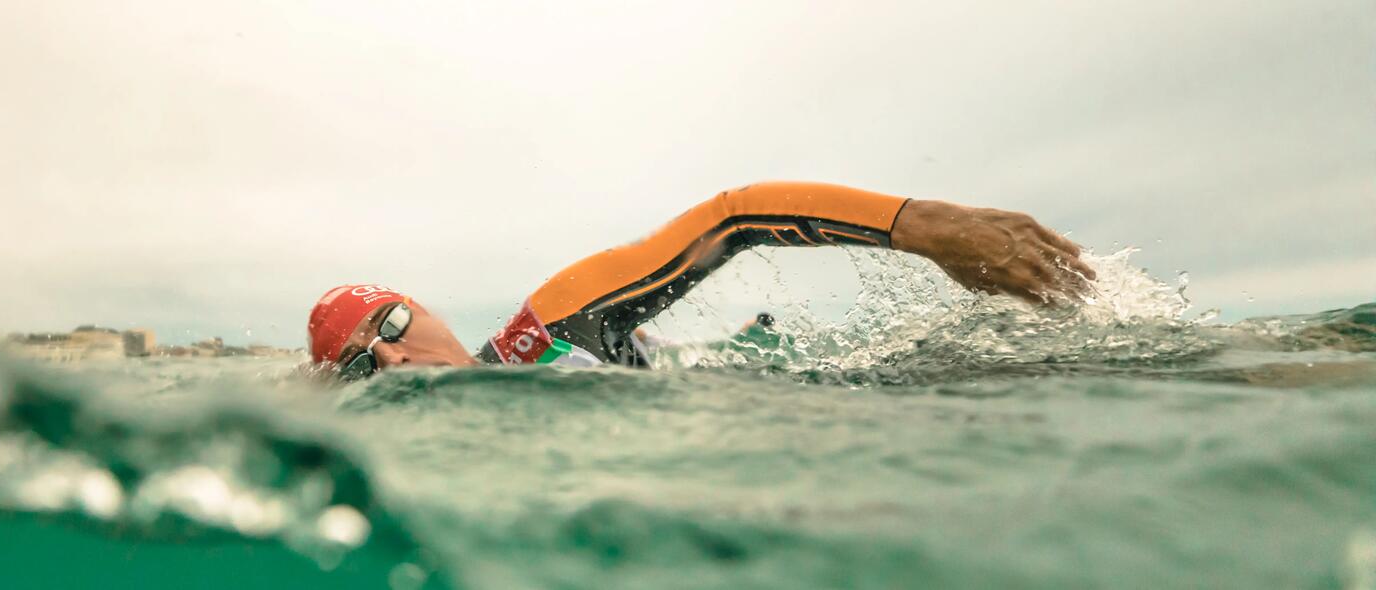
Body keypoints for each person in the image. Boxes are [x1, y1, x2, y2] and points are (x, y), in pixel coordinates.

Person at [305, 182, 1095, 381]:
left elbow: (732, 218)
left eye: (395, 327)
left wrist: (921, 224)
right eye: (361, 362)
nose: (394, 361)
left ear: (425, 308)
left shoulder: (549, 326)